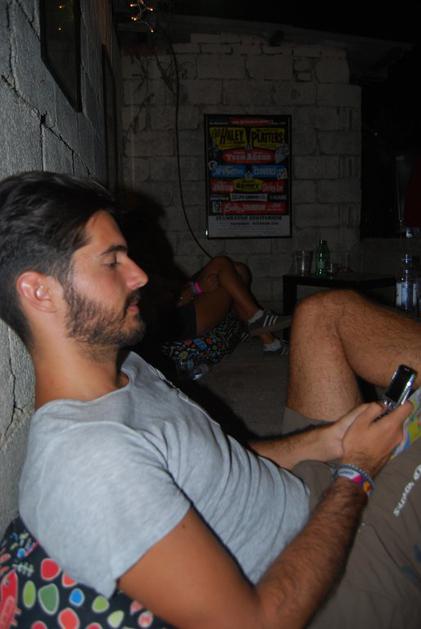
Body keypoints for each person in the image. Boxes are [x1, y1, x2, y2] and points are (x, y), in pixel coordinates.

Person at [0, 171, 419, 628]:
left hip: (308, 494)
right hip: (329, 581)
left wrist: (330, 441)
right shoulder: (89, 462)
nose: (139, 275)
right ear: (39, 291)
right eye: (112, 261)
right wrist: (357, 473)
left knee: (325, 313)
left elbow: (217, 459)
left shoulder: (124, 367)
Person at [174, 255, 288, 353]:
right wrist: (196, 288)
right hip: (178, 319)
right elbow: (165, 302)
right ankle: (258, 320)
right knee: (223, 268)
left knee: (237, 269)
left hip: (180, 298)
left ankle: (261, 327)